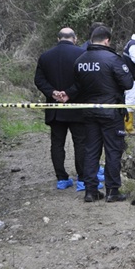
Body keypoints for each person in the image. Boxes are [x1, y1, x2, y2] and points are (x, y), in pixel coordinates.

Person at [72, 25, 133, 203]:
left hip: (89, 113)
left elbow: (77, 87)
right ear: (107, 40)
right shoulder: (114, 59)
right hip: (111, 113)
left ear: (92, 39)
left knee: (91, 151)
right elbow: (128, 83)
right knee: (113, 151)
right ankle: (112, 191)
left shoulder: (80, 60)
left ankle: (90, 191)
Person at [34, 27, 87, 191]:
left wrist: (53, 93)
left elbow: (39, 80)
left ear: (58, 39)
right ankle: (83, 179)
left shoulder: (45, 56)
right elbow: (85, 80)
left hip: (55, 107)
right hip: (77, 107)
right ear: (75, 38)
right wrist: (69, 94)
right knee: (81, 143)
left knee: (57, 144)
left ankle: (62, 179)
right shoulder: (82, 55)